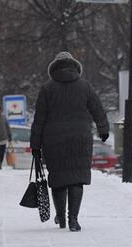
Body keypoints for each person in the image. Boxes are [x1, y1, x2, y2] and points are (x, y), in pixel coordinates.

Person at [30, 52, 109, 232]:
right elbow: (98, 109)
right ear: (74, 66)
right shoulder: (85, 87)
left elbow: (39, 120)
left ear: (54, 68)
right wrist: (103, 129)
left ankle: (61, 218)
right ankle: (73, 219)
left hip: (53, 140)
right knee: (77, 178)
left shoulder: (47, 89)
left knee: (59, 178)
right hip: (79, 138)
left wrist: (35, 145)